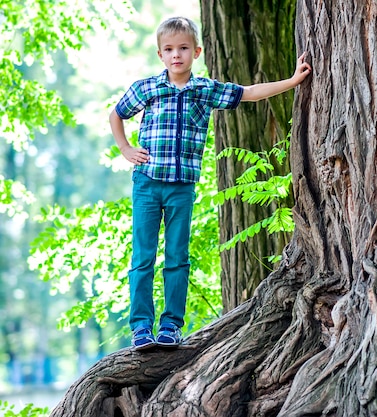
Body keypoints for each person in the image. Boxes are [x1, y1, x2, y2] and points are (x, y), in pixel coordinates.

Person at [109, 16, 311, 350]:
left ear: (197, 51)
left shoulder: (204, 90)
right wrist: (125, 148)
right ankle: (141, 327)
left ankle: (171, 325)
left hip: (182, 188)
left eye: (184, 48)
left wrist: (291, 82)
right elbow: (117, 114)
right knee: (143, 257)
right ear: (160, 54)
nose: (177, 55)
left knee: (177, 256)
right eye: (170, 49)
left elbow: (248, 93)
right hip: (146, 184)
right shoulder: (147, 88)